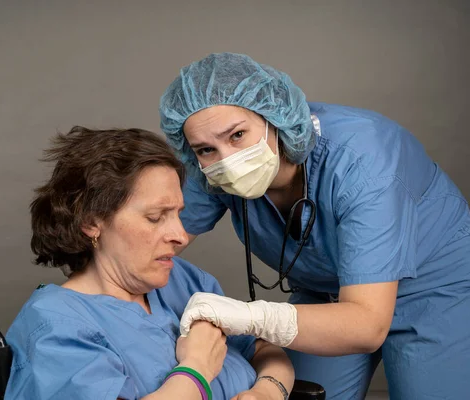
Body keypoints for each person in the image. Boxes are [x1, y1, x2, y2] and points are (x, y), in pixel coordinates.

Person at [158, 52, 470, 400]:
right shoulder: (211, 172)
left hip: (432, 288)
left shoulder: (364, 163)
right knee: (302, 394)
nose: (226, 161)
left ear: (274, 119)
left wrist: (248, 317)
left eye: (238, 135)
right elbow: (153, 241)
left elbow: (366, 326)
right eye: (204, 149)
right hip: (325, 293)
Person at [4, 126, 295, 400]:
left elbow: (262, 350)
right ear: (91, 222)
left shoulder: (184, 281)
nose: (181, 236)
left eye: (178, 213)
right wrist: (196, 369)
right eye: (156, 217)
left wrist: (266, 392)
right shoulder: (56, 327)